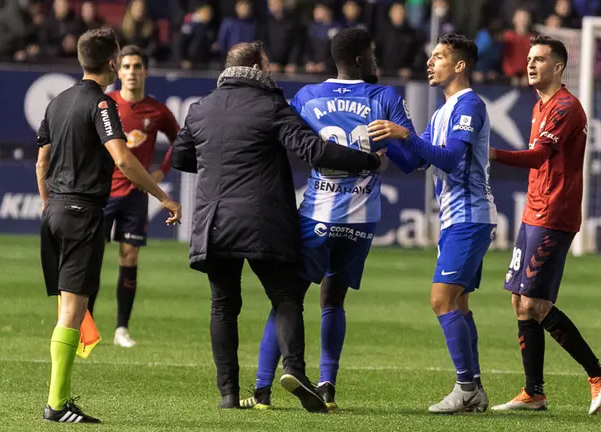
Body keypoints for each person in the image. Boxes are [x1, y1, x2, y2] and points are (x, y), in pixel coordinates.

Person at [170, 41, 386, 412]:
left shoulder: (200, 108)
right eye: (267, 65)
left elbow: (180, 157)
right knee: (285, 297)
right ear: (256, 67)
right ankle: (295, 371)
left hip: (214, 223)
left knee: (223, 306)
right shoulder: (270, 105)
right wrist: (368, 161)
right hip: (262, 221)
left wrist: (218, 165)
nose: (270, 71)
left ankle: (228, 395)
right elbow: (314, 151)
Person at [241, 27, 423, 411]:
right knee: (334, 299)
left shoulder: (307, 97)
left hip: (317, 215)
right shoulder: (385, 97)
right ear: (360, 60)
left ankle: (262, 389)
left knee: (288, 299)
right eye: (373, 54)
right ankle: (327, 386)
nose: (377, 61)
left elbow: (283, 144)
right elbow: (412, 162)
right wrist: (390, 145)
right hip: (362, 218)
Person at [36, 28, 181, 423]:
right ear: (112, 63)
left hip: (55, 211)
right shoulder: (102, 104)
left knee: (70, 307)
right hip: (82, 211)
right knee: (72, 310)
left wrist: (49, 205)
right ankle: (57, 405)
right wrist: (163, 196)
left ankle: (60, 400)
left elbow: (41, 161)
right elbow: (122, 159)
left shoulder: (58, 101)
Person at [489, 35, 601, 415]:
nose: (531, 64)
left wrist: (492, 153)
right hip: (533, 212)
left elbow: (538, 156)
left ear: (559, 67)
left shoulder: (565, 107)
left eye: (540, 59)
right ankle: (534, 393)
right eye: (530, 58)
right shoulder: (540, 105)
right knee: (519, 301)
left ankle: (599, 374)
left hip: (554, 214)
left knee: (536, 302)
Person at [367, 33, 498, 413]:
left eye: (439, 56)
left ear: (460, 65)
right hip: (456, 218)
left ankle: (466, 388)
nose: (430, 62)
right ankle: (474, 389)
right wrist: (387, 143)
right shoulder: (443, 112)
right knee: (458, 303)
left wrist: (405, 133)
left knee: (441, 300)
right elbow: (417, 162)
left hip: (469, 215)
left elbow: (452, 159)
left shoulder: (469, 105)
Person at [85, 44, 181, 348]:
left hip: (136, 195)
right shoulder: (106, 103)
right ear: (117, 70)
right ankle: (85, 325)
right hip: (102, 193)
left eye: (137, 66)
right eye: (126, 66)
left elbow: (180, 142)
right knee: (92, 259)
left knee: (129, 257)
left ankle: (121, 329)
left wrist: (160, 173)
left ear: (145, 72)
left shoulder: (157, 111)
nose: (131, 72)